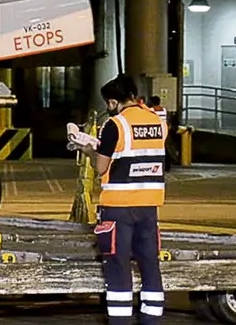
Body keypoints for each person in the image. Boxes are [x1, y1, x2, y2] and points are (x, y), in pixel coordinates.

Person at [74, 75, 167, 324]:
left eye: (108, 104)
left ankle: (120, 321)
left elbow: (102, 167)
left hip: (119, 208)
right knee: (150, 265)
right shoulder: (157, 121)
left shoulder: (115, 125)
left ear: (114, 102)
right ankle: (151, 320)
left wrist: (89, 150)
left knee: (118, 264)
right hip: (149, 206)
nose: (108, 108)